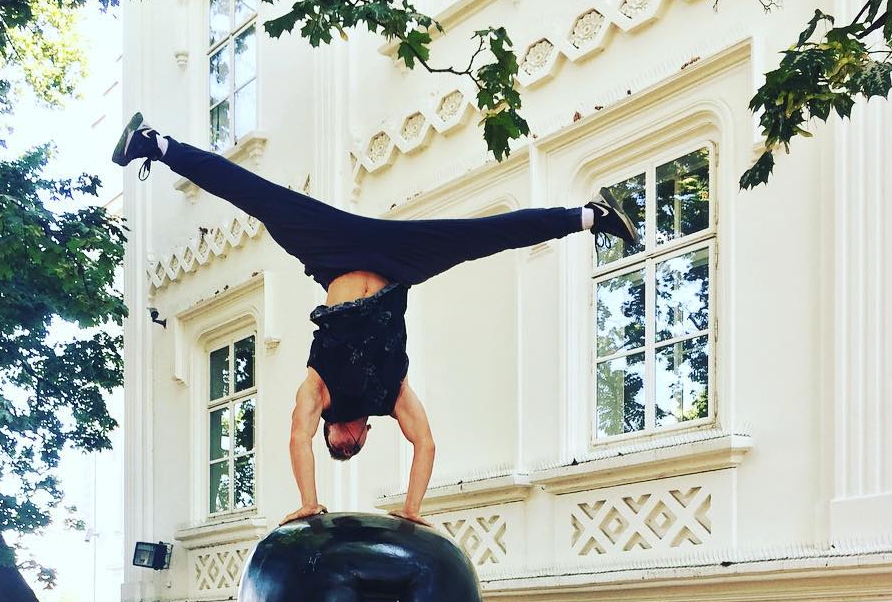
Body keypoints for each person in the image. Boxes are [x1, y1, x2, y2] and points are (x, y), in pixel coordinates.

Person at [113, 114, 636, 525]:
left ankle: (156, 145)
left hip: (333, 251)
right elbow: (425, 442)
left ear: (334, 432)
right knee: (481, 237)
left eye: (340, 443)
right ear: (364, 434)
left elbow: (297, 435)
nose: (351, 438)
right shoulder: (389, 396)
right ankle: (590, 217)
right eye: (356, 444)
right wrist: (412, 509)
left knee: (258, 196)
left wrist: (309, 501)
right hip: (395, 262)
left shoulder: (316, 395)